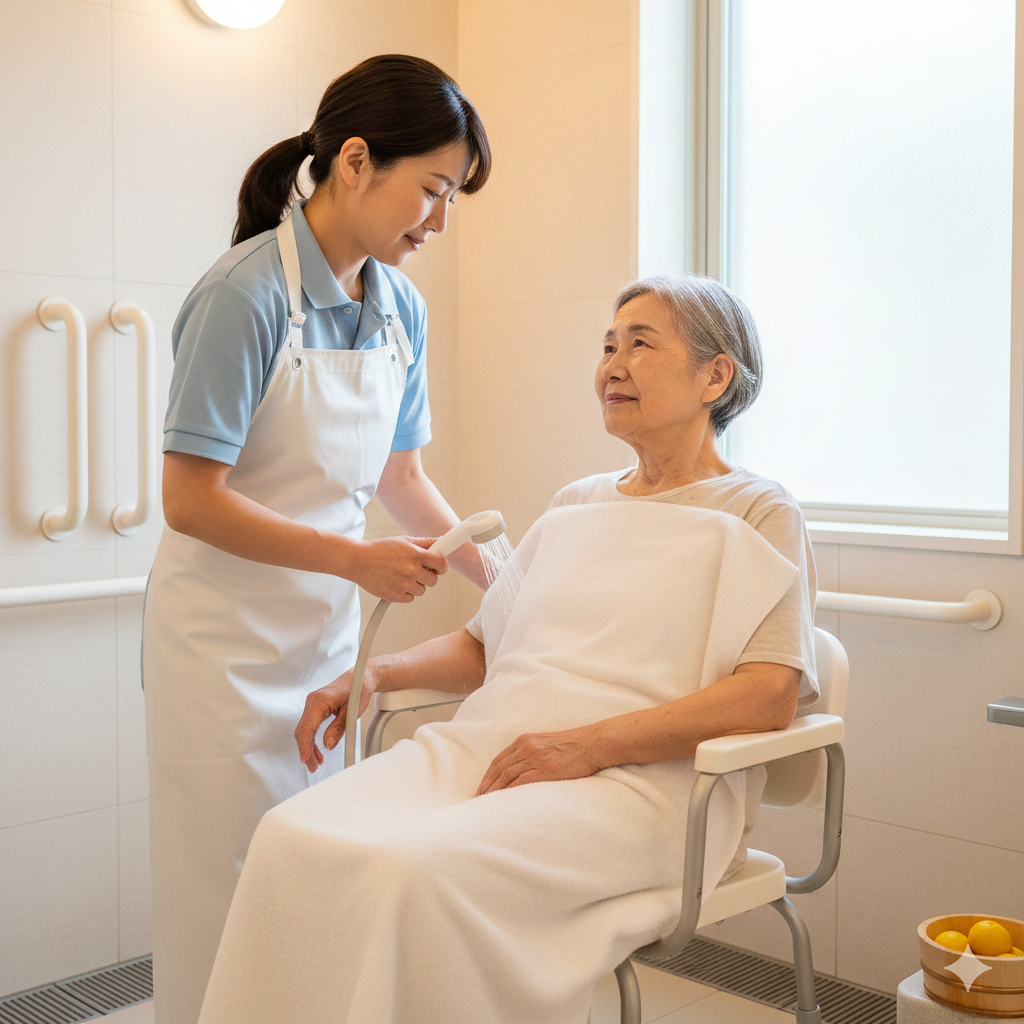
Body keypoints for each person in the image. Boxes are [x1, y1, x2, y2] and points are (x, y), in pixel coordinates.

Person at [195, 274, 819, 1024]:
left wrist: (586, 746)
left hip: (646, 787)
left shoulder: (758, 510)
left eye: (641, 345)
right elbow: (484, 647)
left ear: (715, 376)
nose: (612, 366)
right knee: (291, 839)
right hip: (496, 750)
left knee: (413, 874)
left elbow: (769, 695)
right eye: (608, 346)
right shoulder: (576, 504)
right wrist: (369, 675)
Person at [141, 54, 491, 1024]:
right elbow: (189, 500)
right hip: (218, 654)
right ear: (355, 161)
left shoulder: (400, 309)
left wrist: (505, 581)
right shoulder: (244, 294)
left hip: (324, 650)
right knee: (222, 892)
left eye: (452, 196)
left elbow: (403, 480)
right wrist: (355, 558)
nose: (440, 219)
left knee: (308, 881)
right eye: (433, 188)